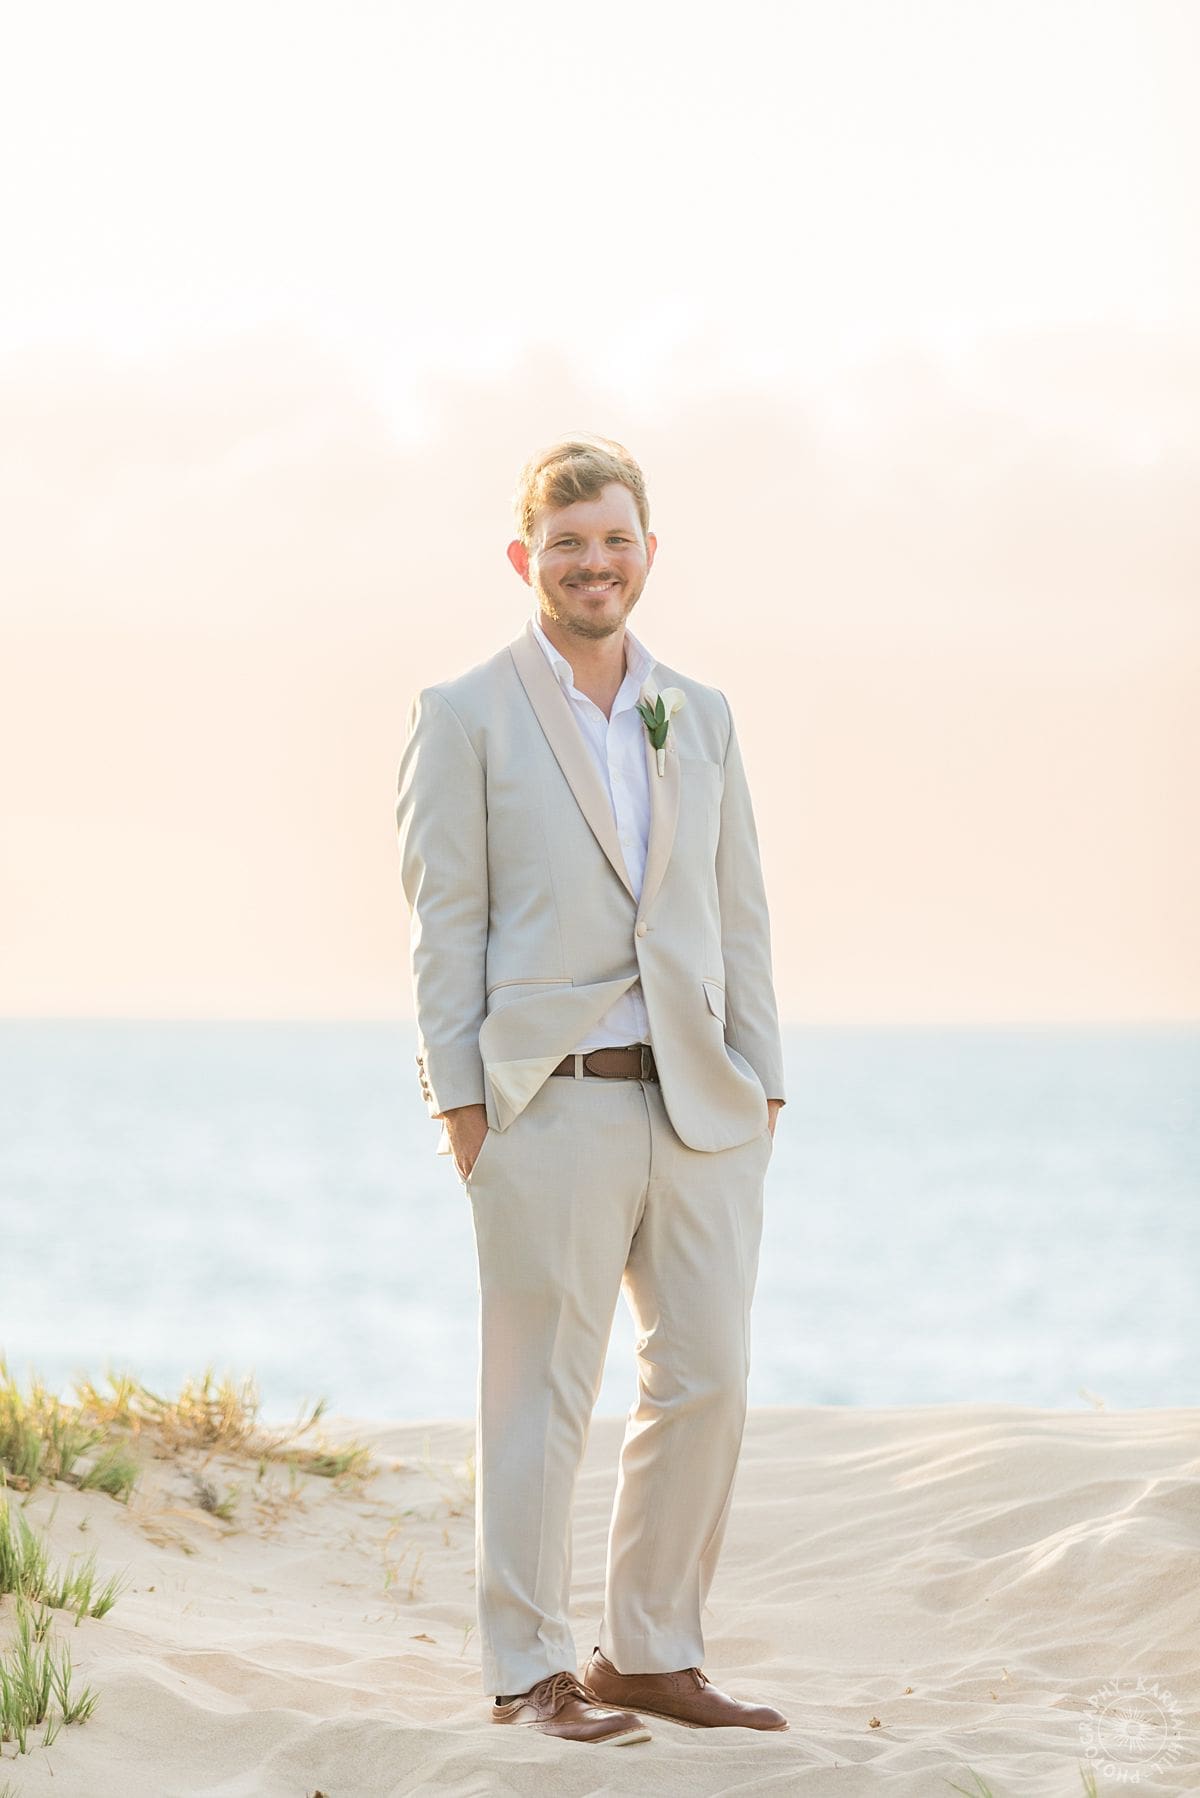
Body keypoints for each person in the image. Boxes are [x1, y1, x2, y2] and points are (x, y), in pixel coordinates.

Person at [395, 433, 788, 1744]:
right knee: (540, 1392)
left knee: (710, 1377)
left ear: (648, 554)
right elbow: (444, 921)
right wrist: (462, 1105)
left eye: (615, 540)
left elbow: (740, 913)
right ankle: (530, 1670)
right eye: (567, 544)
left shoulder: (700, 712)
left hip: (698, 1105)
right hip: (545, 1102)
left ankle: (651, 1650)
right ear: (527, 558)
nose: (593, 563)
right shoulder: (464, 713)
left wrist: (763, 1084)